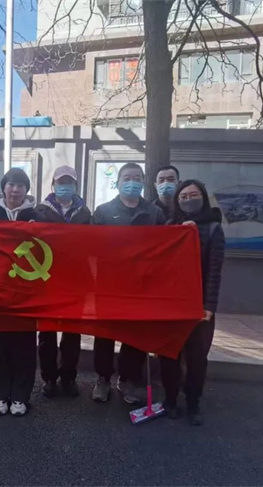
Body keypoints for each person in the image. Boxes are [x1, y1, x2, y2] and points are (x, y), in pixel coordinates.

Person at [91, 162, 166, 404]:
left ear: (143, 182)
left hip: (141, 286)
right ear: (118, 182)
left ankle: (127, 379)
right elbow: (90, 246)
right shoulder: (103, 212)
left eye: (136, 178)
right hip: (109, 285)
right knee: (104, 335)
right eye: (126, 177)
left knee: (135, 335)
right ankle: (103, 379)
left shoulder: (155, 213)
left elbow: (166, 245)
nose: (131, 182)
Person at [160, 179, 225, 426]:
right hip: (172, 305)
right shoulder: (170, 226)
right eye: (183, 196)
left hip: (199, 307)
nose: (188, 200)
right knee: (169, 355)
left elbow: (214, 271)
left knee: (197, 357)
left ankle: (193, 402)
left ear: (203, 197)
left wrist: (209, 306)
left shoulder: (213, 229)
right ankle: (170, 399)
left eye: (193, 195)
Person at [0, 167, 38, 416]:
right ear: (3, 188)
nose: (15, 190)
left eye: (21, 185)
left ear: (27, 190)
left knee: (24, 346)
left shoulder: (36, 217)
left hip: (27, 293)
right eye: (11, 185)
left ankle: (20, 396)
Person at [33, 165, 91, 398]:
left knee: (72, 333)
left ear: (76, 185)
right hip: (46, 280)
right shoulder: (39, 211)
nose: (65, 186)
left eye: (69, 182)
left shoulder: (85, 213)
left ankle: (69, 377)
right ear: (53, 185)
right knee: (46, 334)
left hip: (75, 280)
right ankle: (49, 378)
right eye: (61, 182)